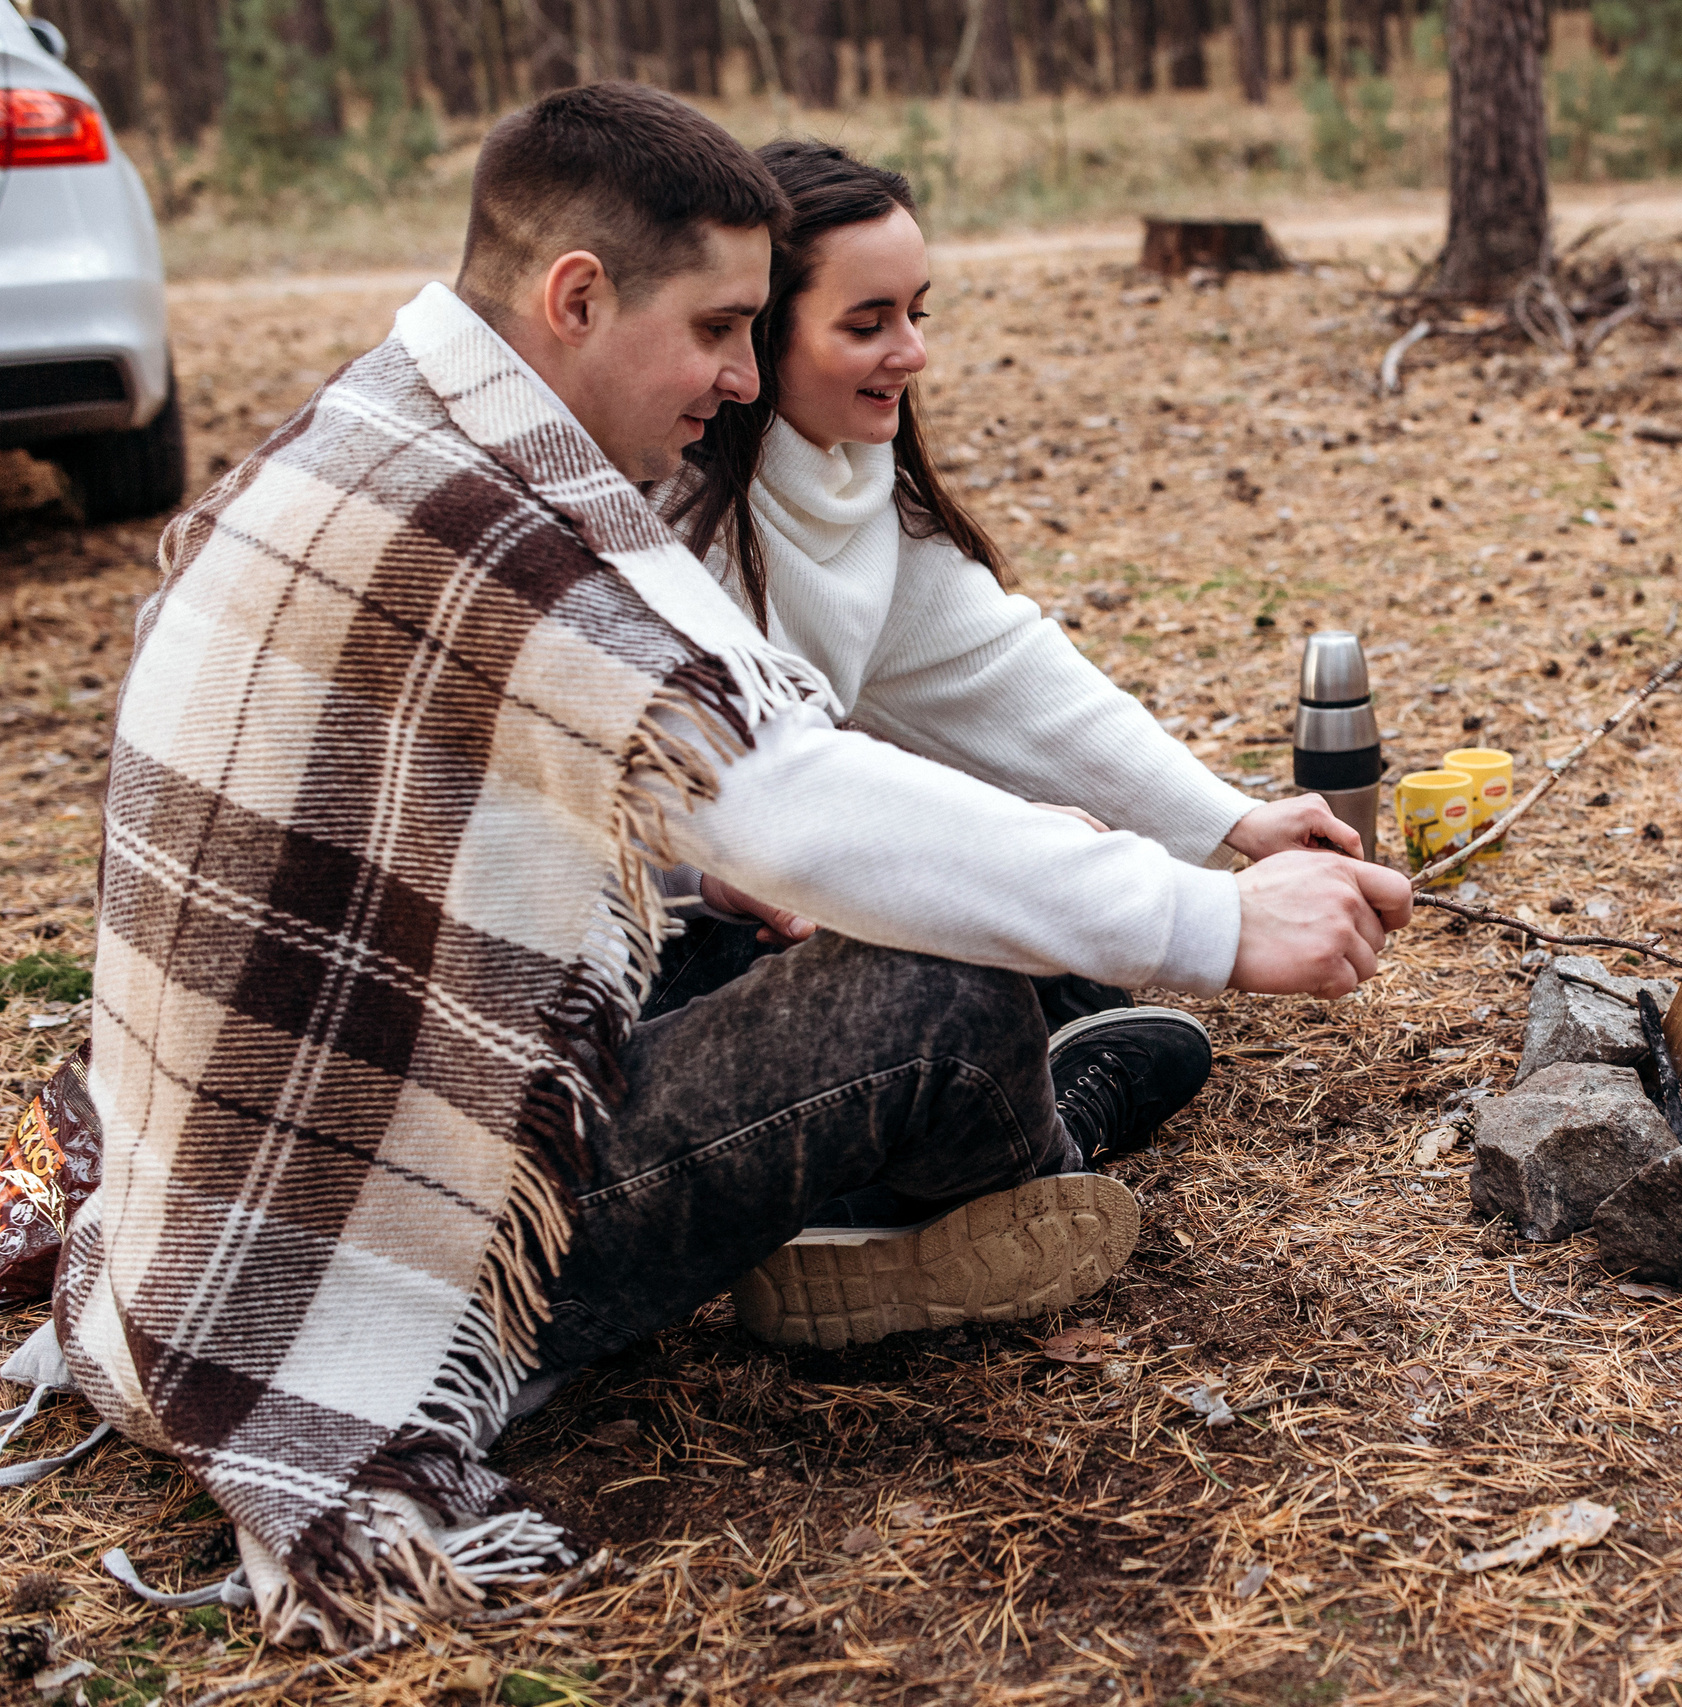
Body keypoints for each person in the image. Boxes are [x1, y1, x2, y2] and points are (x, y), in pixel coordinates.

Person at [62, 82, 1408, 1646]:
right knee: (941, 995)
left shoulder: (378, 436)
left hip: (269, 1188)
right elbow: (787, 806)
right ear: (577, 296)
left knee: (937, 929)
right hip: (391, 1263)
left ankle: (953, 1159)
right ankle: (999, 1165)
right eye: (717, 328)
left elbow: (968, 684)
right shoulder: (523, 537)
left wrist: (1217, 830)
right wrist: (1216, 918)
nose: (738, 373)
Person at [654, 139, 1376, 1313]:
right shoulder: (668, 518)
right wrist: (740, 888)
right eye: (868, 321)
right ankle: (990, 1161)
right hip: (666, 965)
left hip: (778, 904)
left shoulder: (851, 491)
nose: (912, 352)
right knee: (1017, 978)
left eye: (917, 312)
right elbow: (700, 804)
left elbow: (1009, 677)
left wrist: (1232, 823)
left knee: (1092, 983)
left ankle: (989, 1115)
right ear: (758, 332)